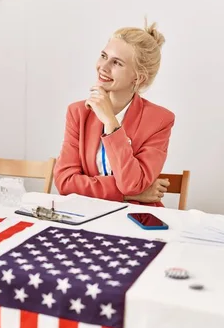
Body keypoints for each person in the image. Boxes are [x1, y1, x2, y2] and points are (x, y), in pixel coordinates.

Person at [53, 19, 174, 206]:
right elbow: (66, 183)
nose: (103, 67)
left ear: (138, 78)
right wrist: (128, 195)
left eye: (116, 63)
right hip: (87, 215)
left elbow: (131, 184)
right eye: (103, 55)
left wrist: (111, 122)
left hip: (136, 219)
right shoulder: (78, 113)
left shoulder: (159, 120)